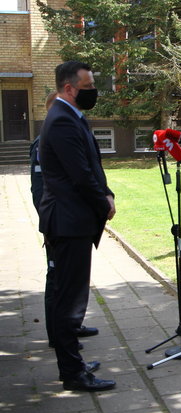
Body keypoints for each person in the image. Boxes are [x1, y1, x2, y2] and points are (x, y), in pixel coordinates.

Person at [39, 61, 116, 391]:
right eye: (87, 87)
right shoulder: (61, 121)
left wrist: (108, 191)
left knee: (69, 296)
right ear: (69, 88)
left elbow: (92, 165)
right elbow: (80, 175)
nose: (92, 92)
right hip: (68, 222)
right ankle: (72, 372)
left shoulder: (71, 116)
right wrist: (104, 203)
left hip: (73, 220)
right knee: (70, 300)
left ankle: (73, 362)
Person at [30, 91, 97, 351]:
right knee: (57, 279)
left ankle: (72, 327)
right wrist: (49, 224)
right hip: (57, 223)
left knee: (71, 283)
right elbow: (39, 190)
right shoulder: (43, 142)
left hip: (70, 220)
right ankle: (57, 335)